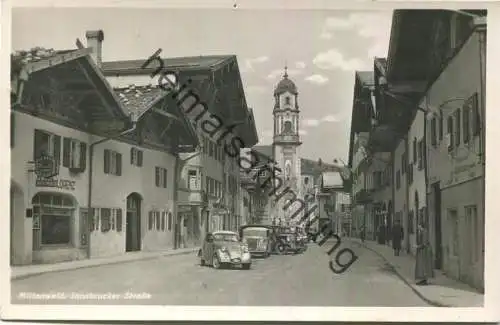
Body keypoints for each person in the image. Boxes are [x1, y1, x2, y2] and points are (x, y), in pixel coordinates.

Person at [415, 221, 434, 285]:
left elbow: (424, 243)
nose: (417, 227)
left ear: (421, 226)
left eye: (418, 225)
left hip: (425, 251)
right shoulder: (422, 232)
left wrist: (418, 246)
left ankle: (425, 280)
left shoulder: (424, 232)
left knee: (424, 265)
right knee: (422, 265)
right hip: (423, 250)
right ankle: (423, 279)